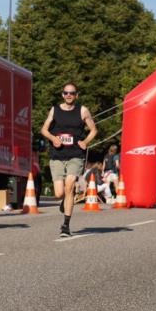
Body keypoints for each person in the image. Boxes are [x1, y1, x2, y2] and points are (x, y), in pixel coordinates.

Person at [41, 82, 97, 237]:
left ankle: (65, 225)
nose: (69, 95)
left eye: (72, 93)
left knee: (70, 184)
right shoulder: (55, 110)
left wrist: (85, 142)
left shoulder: (83, 110)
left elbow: (93, 130)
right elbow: (44, 129)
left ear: (76, 95)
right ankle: (65, 201)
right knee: (60, 193)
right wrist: (53, 138)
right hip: (57, 155)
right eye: (66, 93)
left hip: (75, 155)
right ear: (62, 95)